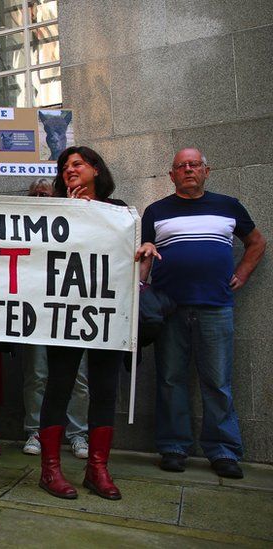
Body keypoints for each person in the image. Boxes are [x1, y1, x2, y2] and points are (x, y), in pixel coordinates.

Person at [37, 146, 157, 501]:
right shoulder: (54, 210)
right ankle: (50, 470)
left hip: (107, 313)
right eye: (64, 166)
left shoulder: (120, 212)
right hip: (65, 313)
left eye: (78, 164)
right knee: (59, 384)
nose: (70, 169)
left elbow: (129, 264)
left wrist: (144, 250)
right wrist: (72, 212)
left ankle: (98, 469)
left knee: (105, 388)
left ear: (95, 170)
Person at [142, 148, 266, 479]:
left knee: (217, 381)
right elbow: (143, 255)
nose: (187, 170)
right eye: (181, 166)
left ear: (206, 171)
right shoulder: (155, 212)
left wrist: (243, 271)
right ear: (171, 176)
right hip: (168, 308)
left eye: (194, 165)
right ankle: (173, 447)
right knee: (170, 379)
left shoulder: (228, 206)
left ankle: (223, 450)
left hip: (216, 306)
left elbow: (256, 242)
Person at [20, 178, 90, 459]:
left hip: (72, 309)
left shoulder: (71, 222)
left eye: (45, 194)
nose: (39, 197)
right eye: (35, 193)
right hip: (36, 311)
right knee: (37, 374)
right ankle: (35, 431)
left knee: (79, 377)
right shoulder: (23, 226)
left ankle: (78, 434)